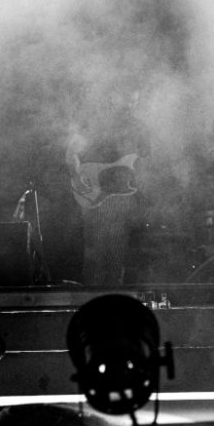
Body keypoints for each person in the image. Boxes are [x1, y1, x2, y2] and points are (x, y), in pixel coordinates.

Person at [65, 86, 150, 287]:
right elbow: (71, 154)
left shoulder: (140, 129)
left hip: (122, 200)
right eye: (127, 100)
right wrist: (77, 176)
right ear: (113, 97)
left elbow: (146, 165)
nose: (130, 106)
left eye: (134, 102)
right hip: (95, 198)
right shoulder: (96, 123)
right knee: (95, 260)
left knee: (116, 260)